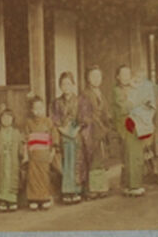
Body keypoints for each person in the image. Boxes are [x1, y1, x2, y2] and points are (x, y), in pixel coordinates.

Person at [77, 65, 111, 199]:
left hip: (100, 130)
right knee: (91, 160)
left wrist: (106, 124)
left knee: (100, 159)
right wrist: (95, 123)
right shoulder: (85, 94)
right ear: (88, 78)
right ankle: (91, 189)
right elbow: (83, 115)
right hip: (90, 130)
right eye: (93, 76)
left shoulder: (101, 94)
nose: (96, 79)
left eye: (98, 76)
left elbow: (106, 113)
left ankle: (101, 187)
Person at [112, 65, 147, 197]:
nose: (126, 77)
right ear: (118, 77)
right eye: (123, 74)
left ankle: (135, 184)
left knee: (137, 154)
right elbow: (125, 106)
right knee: (130, 155)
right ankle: (131, 186)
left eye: (128, 74)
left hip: (136, 123)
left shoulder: (132, 88)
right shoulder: (117, 91)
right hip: (125, 124)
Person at [50, 71, 83, 203]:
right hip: (62, 133)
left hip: (76, 133)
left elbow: (82, 119)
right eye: (63, 84)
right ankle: (66, 191)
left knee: (76, 160)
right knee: (65, 160)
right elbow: (55, 120)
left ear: (73, 85)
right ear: (60, 86)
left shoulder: (79, 101)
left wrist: (75, 130)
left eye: (69, 84)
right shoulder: (56, 102)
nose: (66, 87)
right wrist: (63, 130)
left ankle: (76, 190)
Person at [0, 108, 24, 212]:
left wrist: (23, 156)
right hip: (0, 160)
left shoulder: (17, 133)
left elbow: (21, 147)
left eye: (9, 117)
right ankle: (2, 200)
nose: (6, 119)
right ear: (0, 119)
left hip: (13, 160)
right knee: (0, 179)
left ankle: (12, 200)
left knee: (12, 178)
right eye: (4, 117)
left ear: (13, 119)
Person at [25, 95, 59, 210]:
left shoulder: (48, 121)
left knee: (44, 176)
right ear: (31, 110)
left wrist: (53, 150)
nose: (38, 111)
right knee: (33, 176)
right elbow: (25, 138)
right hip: (33, 153)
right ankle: (33, 199)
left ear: (44, 108)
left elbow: (54, 135)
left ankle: (44, 198)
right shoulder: (29, 122)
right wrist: (26, 152)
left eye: (40, 108)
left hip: (45, 152)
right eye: (35, 108)